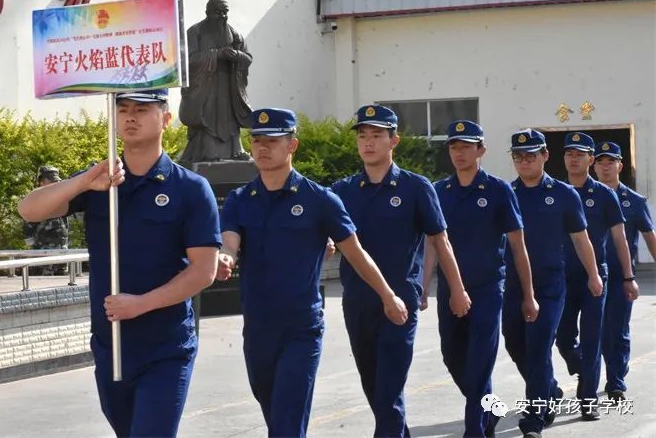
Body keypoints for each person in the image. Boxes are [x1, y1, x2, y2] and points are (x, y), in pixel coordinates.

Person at [18, 89, 221, 437]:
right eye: (123, 109)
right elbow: (29, 210)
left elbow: (204, 270)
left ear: (166, 119)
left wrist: (141, 304)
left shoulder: (190, 188)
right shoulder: (99, 181)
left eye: (142, 109)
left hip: (166, 346)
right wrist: (83, 181)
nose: (130, 117)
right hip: (110, 344)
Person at [216, 108, 408, 438]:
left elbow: (356, 253)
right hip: (258, 328)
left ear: (292, 145)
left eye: (271, 141)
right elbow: (229, 242)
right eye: (257, 141)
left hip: (301, 329)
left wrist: (388, 296)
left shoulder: (320, 200)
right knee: (274, 413)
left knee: (287, 422)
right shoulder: (239, 199)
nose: (262, 148)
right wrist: (225, 258)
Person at [331, 104, 470, 437]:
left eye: (377, 135)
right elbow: (324, 233)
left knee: (388, 389)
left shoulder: (415, 187)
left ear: (394, 141)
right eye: (363, 136)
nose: (368, 142)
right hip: (357, 302)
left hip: (401, 302)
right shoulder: (342, 191)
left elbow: (440, 241)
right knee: (374, 388)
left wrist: (457, 289)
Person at [424, 120, 538, 438]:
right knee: (452, 356)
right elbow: (433, 243)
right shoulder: (439, 191)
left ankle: (475, 430)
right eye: (454, 147)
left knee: (479, 361)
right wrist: (423, 284)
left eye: (466, 147)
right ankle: (490, 409)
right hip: (449, 289)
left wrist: (529, 295)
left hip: (488, 288)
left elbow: (518, 246)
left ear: (481, 150)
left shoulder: (499, 191)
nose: (459, 153)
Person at [502, 129, 601, 438]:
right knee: (514, 343)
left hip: (549, 284)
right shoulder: (505, 193)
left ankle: (534, 419)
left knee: (539, 347)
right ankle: (549, 389)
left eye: (530, 156)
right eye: (518, 157)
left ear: (545, 156)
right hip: (513, 283)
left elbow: (581, 239)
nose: (524, 162)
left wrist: (594, 274)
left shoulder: (564, 194)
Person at [555, 132, 637, 421]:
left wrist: (628, 277)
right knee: (563, 337)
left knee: (592, 338)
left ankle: (588, 399)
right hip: (562, 277)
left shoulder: (604, 195)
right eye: (569, 154)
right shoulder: (556, 192)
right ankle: (581, 368)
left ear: (590, 160)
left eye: (580, 154)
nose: (574, 159)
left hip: (595, 277)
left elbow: (619, 239)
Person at [594, 141, 654, 401]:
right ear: (593, 166)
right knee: (590, 331)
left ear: (620, 166)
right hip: (588, 275)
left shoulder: (634, 201)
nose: (606, 167)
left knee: (617, 329)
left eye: (611, 162)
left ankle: (616, 380)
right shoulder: (580, 196)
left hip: (620, 276)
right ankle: (586, 373)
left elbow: (650, 236)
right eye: (601, 162)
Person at [178, 0, 252, 163]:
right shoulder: (195, 32)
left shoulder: (235, 35)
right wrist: (216, 55)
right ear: (208, 12)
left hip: (229, 86)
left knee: (231, 118)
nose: (222, 16)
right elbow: (187, 61)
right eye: (217, 12)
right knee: (208, 117)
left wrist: (237, 55)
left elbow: (248, 58)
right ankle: (207, 151)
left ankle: (235, 150)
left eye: (225, 12)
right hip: (205, 87)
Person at [22, 166, 70, 276]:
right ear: (42, 182)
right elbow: (28, 223)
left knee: (63, 280)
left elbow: (65, 221)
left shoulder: (60, 197)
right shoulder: (36, 199)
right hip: (45, 249)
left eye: (56, 180)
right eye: (52, 180)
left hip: (62, 248)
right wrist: (33, 245)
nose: (55, 183)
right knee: (46, 279)